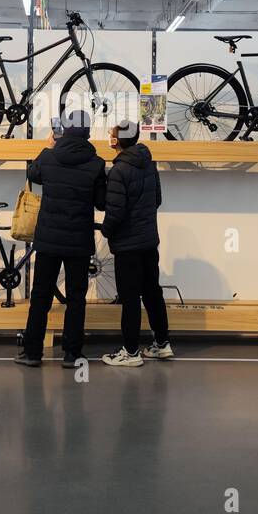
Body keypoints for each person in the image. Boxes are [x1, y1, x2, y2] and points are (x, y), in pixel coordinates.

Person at [15, 108, 106, 368]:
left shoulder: (49, 157)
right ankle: (72, 354)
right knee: (76, 298)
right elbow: (100, 203)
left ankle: (33, 353)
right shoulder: (96, 163)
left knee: (41, 295)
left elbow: (32, 175)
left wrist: (49, 146)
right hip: (78, 242)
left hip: (49, 241)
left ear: (63, 130)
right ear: (88, 133)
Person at [99, 120, 171, 367]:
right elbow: (157, 199)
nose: (109, 136)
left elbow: (115, 212)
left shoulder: (119, 171)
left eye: (111, 134)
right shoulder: (149, 163)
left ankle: (130, 352)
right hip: (149, 240)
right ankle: (162, 344)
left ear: (117, 141)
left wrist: (106, 232)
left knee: (130, 298)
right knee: (152, 293)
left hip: (128, 246)